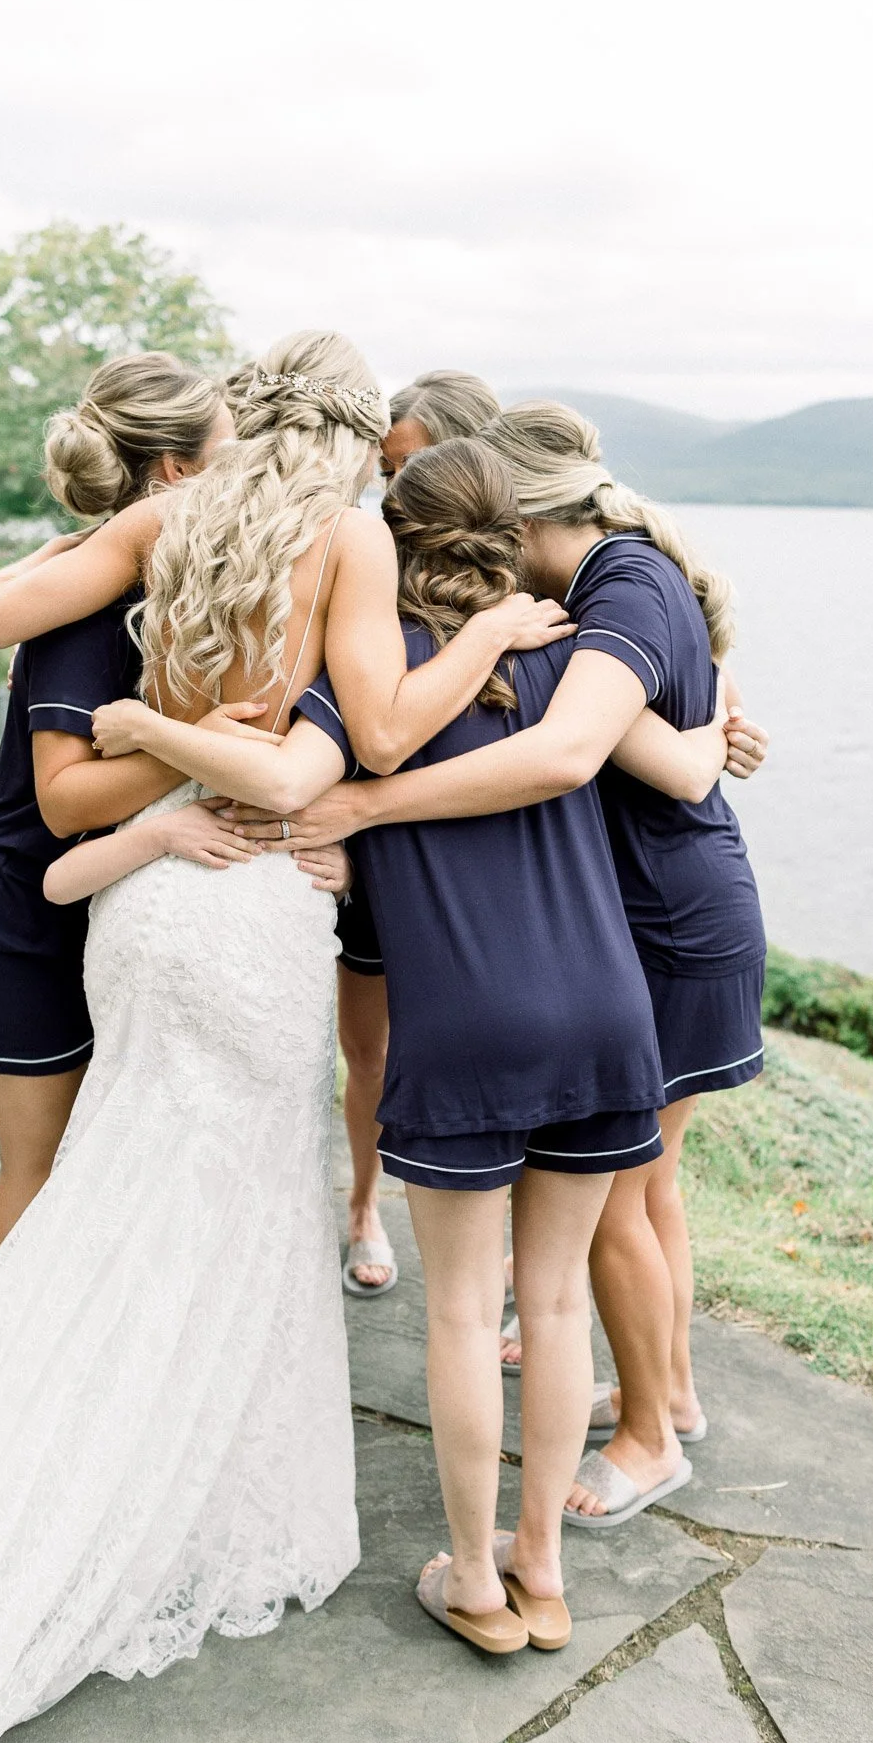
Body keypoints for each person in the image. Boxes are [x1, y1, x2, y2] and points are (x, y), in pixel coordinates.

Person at [0, 332, 577, 1743]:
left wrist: (155, 720)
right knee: (238, 1202)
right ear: (349, 438)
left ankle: (78, 1444)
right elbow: (378, 735)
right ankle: (171, 1490)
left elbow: (3, 612)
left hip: (143, 901)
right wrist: (490, 639)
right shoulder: (344, 538)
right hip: (255, 901)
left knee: (131, 1182)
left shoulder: (170, 517)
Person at [76, 438, 733, 1652]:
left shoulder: (361, 690)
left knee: (459, 1314)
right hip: (604, 1011)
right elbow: (684, 761)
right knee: (551, 1307)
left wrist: (156, 739)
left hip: (467, 1025)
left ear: (395, 540)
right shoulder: (572, 664)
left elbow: (290, 787)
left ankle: (475, 1582)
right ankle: (544, 1570)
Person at [227, 402, 768, 1530]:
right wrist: (716, 737)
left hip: (653, 923)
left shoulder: (602, 596)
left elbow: (575, 754)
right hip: (609, 939)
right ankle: (643, 1419)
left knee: (603, 1216)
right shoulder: (566, 620)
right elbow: (666, 755)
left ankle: (646, 1433)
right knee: (616, 1211)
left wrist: (362, 808)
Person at [0, 352, 255, 1256]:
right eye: (232, 449)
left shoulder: (121, 576)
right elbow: (65, 804)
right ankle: (7, 1380)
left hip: (66, 902)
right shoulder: (87, 611)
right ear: (178, 472)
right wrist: (195, 740)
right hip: (9, 914)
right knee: (42, 1163)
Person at [340, 369, 504, 1297]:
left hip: (466, 854)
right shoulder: (367, 554)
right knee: (368, 1050)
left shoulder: (511, 578)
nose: (393, 490)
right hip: (369, 846)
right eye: (386, 467)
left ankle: (502, 1246)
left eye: (413, 469)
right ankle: (364, 1205)